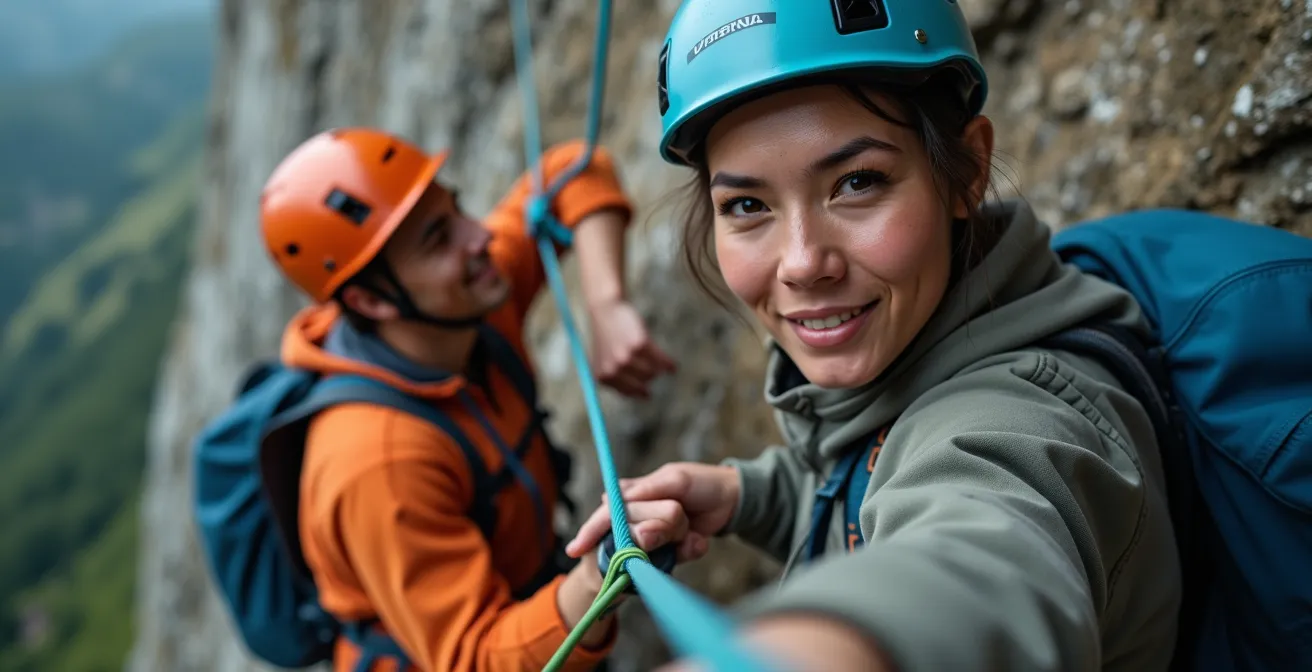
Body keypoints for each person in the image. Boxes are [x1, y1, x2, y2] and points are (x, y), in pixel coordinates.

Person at [567, 1, 1184, 670]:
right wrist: (747, 495)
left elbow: (980, 566)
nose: (803, 262)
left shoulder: (1028, 423)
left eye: (857, 183)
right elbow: (873, 480)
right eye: (747, 206)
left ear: (967, 171)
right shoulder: (918, 354)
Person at [258, 127, 676, 672]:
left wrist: (606, 303)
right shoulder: (378, 462)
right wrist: (600, 573)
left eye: (456, 210)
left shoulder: (465, 302)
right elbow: (473, 660)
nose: (479, 238)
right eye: (438, 238)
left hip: (537, 612)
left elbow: (574, 169)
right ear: (369, 300)